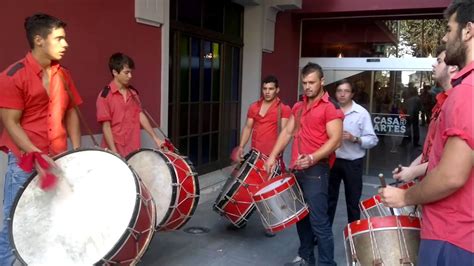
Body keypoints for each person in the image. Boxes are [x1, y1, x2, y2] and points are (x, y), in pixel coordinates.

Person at [380, 1, 474, 265]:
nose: (444, 37)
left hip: (452, 236)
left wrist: (405, 196)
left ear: (467, 31)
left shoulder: (466, 92)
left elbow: (452, 176)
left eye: (449, 28)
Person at [0, 13, 82, 264]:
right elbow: (10, 123)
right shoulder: (12, 76)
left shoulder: (64, 75)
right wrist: (37, 154)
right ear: (39, 40)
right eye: (59, 39)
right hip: (24, 162)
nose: (65, 44)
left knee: (54, 219)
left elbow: (72, 113)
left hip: (58, 159)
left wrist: (77, 151)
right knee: (13, 224)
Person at [265, 63, 343, 266]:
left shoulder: (330, 107)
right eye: (304, 83)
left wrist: (313, 157)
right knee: (301, 217)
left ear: (322, 81)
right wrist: (273, 155)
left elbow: (336, 140)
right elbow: (287, 132)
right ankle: (306, 256)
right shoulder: (299, 107)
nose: (307, 86)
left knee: (319, 222)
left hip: (317, 170)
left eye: (312, 82)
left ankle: (327, 263)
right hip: (298, 170)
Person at [231, 75, 291, 236]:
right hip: (255, 156)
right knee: (247, 188)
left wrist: (276, 155)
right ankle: (239, 218)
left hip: (272, 157)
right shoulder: (254, 107)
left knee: (269, 193)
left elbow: (286, 133)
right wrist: (242, 146)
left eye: (271, 89)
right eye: (265, 88)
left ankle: (271, 224)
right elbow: (248, 127)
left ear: (277, 90)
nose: (267, 92)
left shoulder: (283, 109)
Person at [393, 45, 459, 182]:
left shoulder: (458, 103)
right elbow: (431, 149)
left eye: (439, 61)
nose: (433, 64)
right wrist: (411, 168)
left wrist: (414, 172)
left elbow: (452, 161)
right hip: (428, 184)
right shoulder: (441, 101)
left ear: (453, 68)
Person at [327, 79, 378, 225]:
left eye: (346, 91)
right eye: (339, 91)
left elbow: (373, 140)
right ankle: (323, 236)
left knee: (352, 201)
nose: (342, 94)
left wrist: (354, 138)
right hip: (332, 161)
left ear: (352, 94)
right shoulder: (330, 110)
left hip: (352, 163)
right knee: (329, 200)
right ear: (335, 93)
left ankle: (354, 234)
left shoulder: (361, 113)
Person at [96, 53, 164, 158]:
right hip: (114, 150)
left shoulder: (133, 93)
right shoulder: (105, 96)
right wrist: (114, 152)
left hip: (133, 148)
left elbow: (140, 115)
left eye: (130, 72)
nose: (130, 76)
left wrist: (155, 138)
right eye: (126, 72)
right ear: (115, 72)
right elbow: (106, 126)